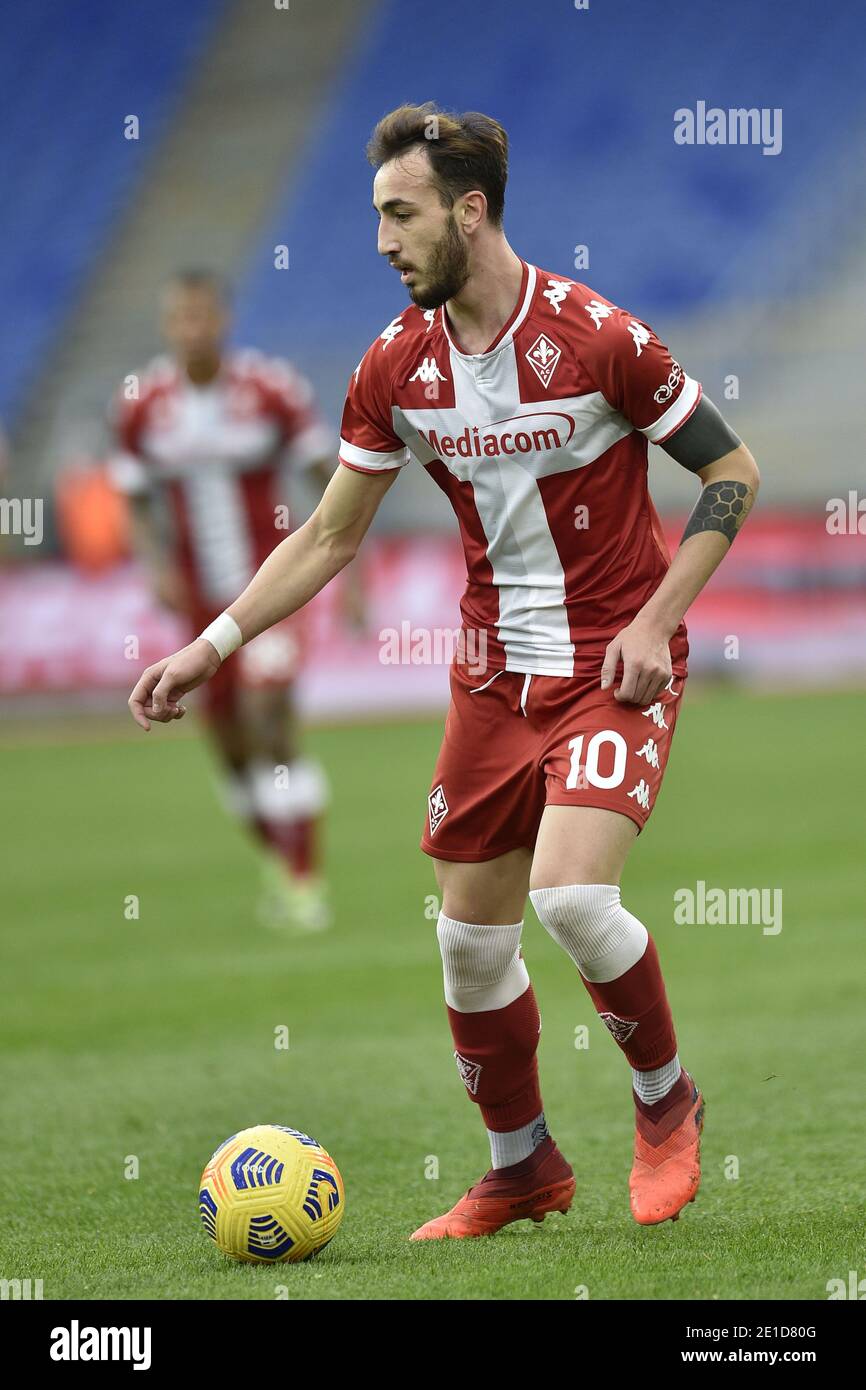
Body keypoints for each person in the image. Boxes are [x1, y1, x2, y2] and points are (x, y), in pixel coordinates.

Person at [128, 106, 760, 1238]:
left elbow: (730, 475)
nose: (382, 239)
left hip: (610, 664)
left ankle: (665, 1101)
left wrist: (658, 620)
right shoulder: (395, 366)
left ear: (470, 211)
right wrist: (207, 645)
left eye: (400, 214)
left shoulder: (596, 336)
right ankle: (520, 1166)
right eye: (377, 216)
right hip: (489, 681)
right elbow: (326, 535)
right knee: (468, 945)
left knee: (570, 895)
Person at [114, 269, 344, 931]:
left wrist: (354, 573)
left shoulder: (271, 391)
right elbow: (131, 498)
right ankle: (284, 861)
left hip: (270, 592)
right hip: (195, 606)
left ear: (224, 320)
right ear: (168, 326)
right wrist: (153, 563)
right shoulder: (141, 405)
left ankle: (305, 880)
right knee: (231, 746)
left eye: (203, 316)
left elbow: (331, 480)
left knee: (266, 713)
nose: (193, 329)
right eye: (181, 318)